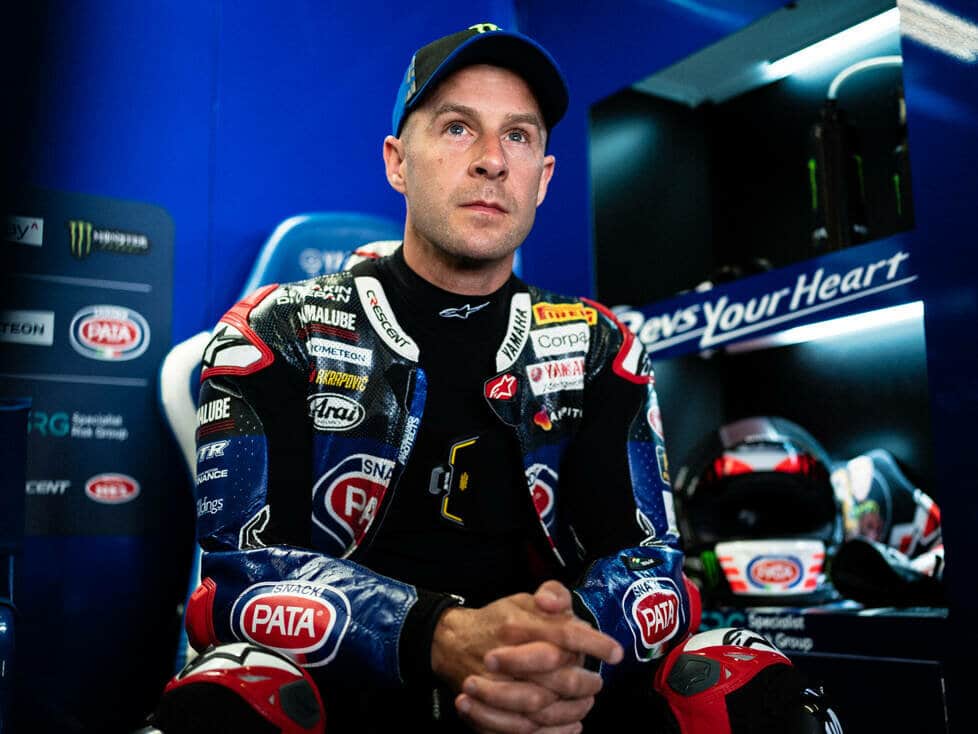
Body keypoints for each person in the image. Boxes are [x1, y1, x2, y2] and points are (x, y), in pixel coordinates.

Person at [182, 23, 831, 734]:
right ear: (398, 162)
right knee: (224, 698)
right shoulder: (275, 329)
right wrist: (441, 637)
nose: (492, 160)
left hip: (560, 698)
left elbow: (652, 567)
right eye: (458, 128)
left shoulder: (600, 346)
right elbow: (239, 580)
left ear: (543, 178)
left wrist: (555, 650)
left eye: (518, 136)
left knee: (754, 686)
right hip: (354, 700)